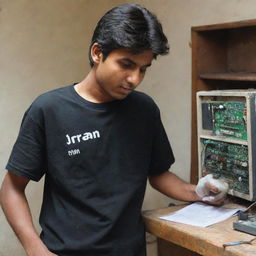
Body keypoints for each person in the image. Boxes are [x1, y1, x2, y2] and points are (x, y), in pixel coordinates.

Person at [0, 4, 227, 256]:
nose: (134, 79)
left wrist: (197, 192)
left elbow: (158, 174)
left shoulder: (145, 109)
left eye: (143, 68)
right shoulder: (49, 109)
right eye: (126, 64)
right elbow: (11, 188)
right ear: (98, 53)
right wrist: (35, 248)